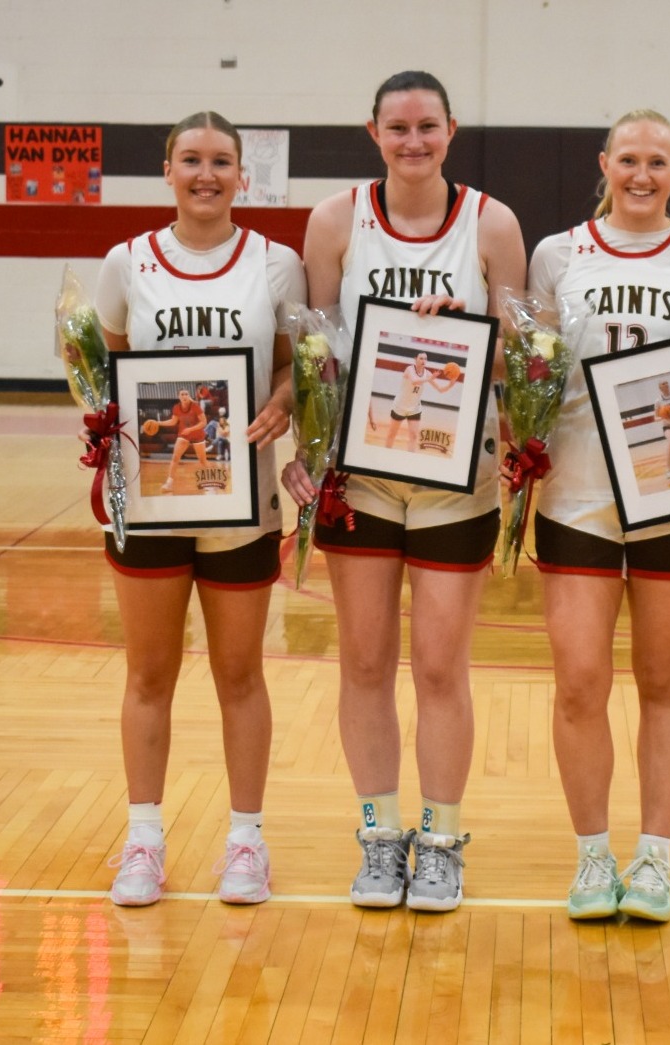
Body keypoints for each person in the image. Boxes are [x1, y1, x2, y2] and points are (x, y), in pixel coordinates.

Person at [282, 71, 527, 912]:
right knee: (361, 660)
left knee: (438, 665)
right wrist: (304, 453)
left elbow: (522, 360)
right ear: (372, 131)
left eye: (428, 126)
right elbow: (314, 352)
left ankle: (443, 839)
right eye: (398, 127)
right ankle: (381, 836)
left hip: (459, 477)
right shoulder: (334, 221)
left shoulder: (491, 224)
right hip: (362, 475)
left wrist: (460, 333)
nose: (413, 141)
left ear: (451, 130)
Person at [523, 110, 670, 922]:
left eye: (658, 161)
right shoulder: (557, 254)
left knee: (661, 678)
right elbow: (530, 367)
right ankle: (590, 857)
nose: (641, 174)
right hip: (576, 491)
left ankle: (653, 857)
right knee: (578, 680)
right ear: (603, 163)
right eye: (628, 160)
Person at [91, 110, 305, 907]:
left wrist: (282, 403)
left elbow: (292, 368)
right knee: (148, 671)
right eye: (191, 160)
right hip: (152, 497)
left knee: (239, 673)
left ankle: (245, 839)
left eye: (221, 161)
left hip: (242, 500)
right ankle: (143, 839)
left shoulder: (276, 265)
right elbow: (108, 363)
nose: (206, 173)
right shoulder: (127, 263)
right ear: (168, 170)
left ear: (240, 174)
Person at [383, 351, 455, 452]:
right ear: (415, 359)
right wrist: (429, 378)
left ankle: (410, 458)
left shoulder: (427, 373)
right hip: (400, 406)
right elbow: (414, 381)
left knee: (413, 436)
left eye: (425, 359)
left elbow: (440, 389)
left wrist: (451, 384)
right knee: (392, 434)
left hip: (414, 408)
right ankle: (386, 453)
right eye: (421, 358)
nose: (423, 361)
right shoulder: (409, 369)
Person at [157, 387, 211, 492]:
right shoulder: (176, 407)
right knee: (175, 458)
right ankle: (169, 484)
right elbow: (173, 421)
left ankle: (211, 480)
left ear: (189, 396)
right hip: (184, 435)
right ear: (179, 396)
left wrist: (190, 429)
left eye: (186, 394)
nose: (184, 396)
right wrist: (159, 423)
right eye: (182, 394)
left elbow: (204, 422)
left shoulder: (195, 406)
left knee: (203, 460)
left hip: (197, 434)